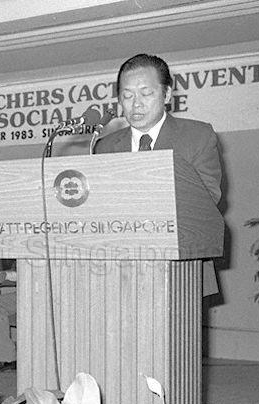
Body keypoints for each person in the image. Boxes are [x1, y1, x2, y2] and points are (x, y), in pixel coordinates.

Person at [95, 53, 223, 294]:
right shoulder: (104, 146)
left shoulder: (198, 136)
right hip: (116, 270)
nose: (136, 103)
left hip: (181, 268)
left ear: (166, 94)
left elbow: (206, 202)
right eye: (127, 95)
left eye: (146, 93)